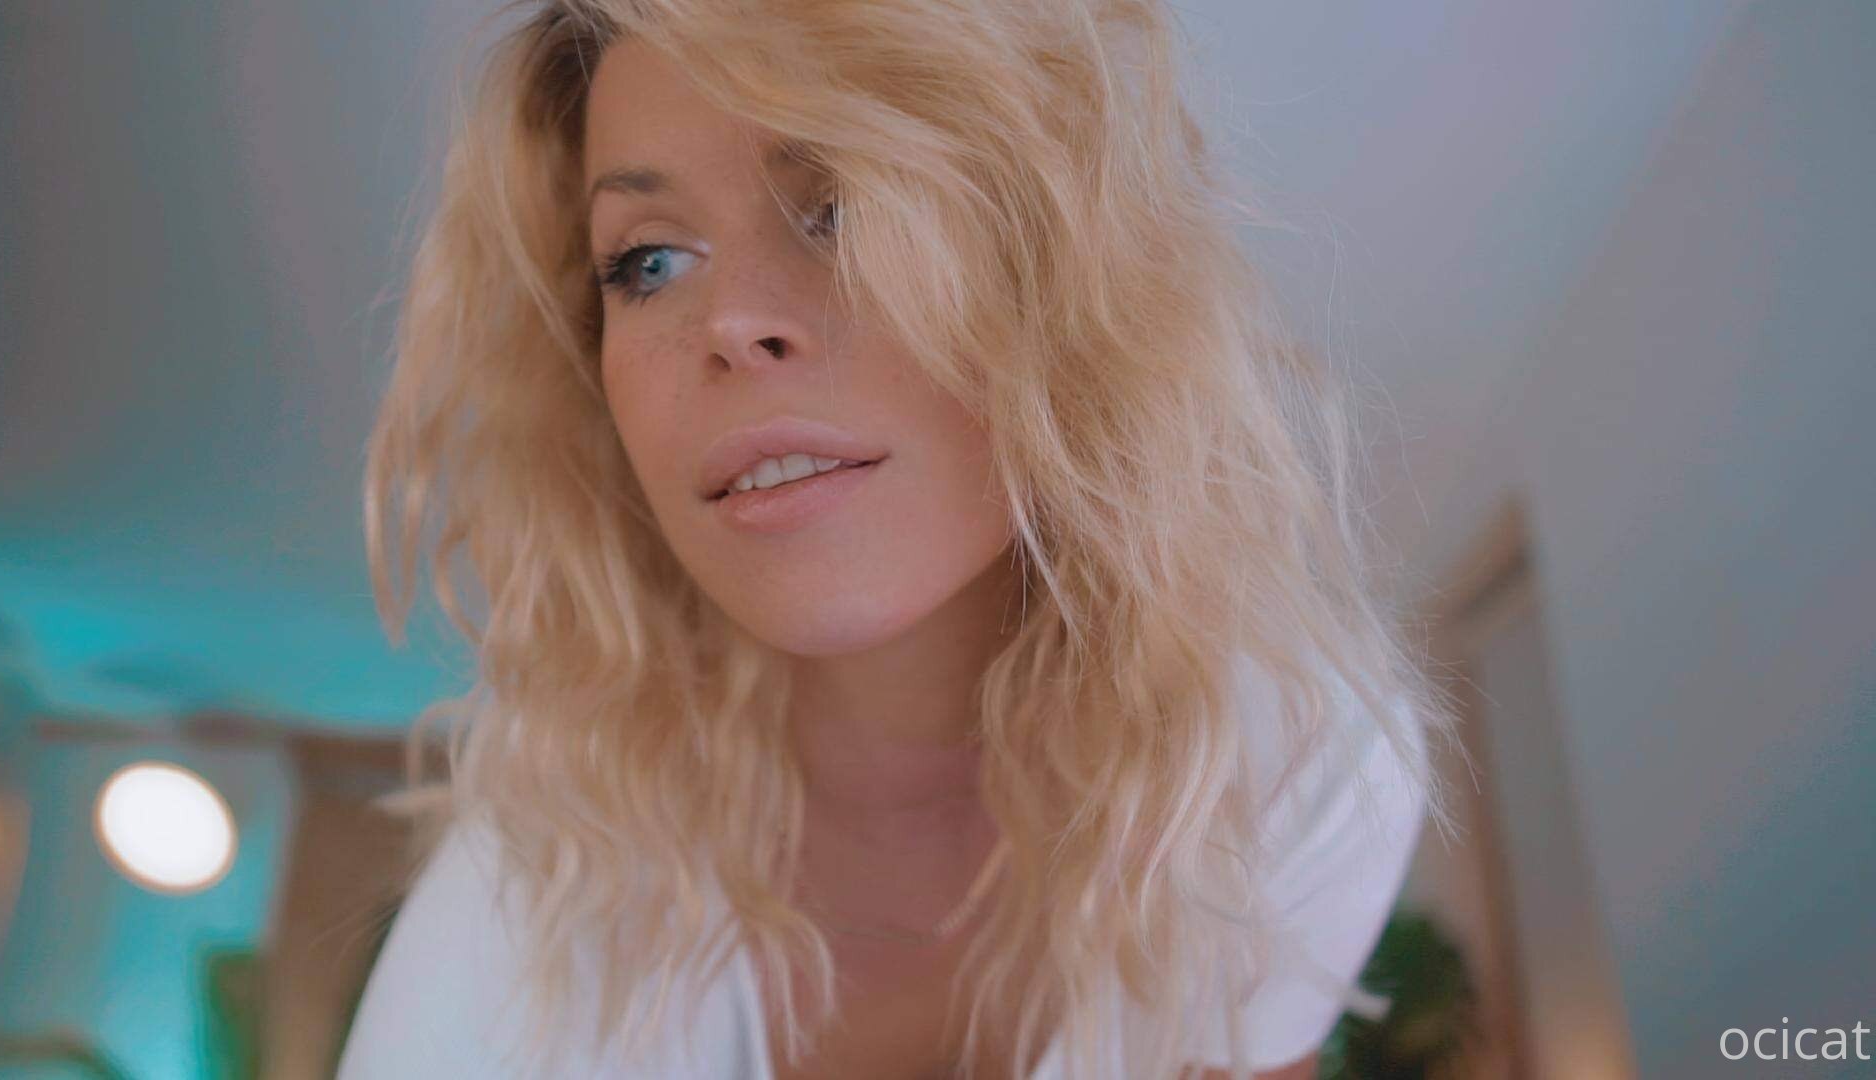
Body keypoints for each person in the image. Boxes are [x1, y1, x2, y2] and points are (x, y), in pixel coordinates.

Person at [339, 2, 1453, 1078]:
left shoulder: (1281, 762)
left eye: (843, 204)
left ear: (1058, 266)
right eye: (650, 262)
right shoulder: (515, 939)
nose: (730, 322)